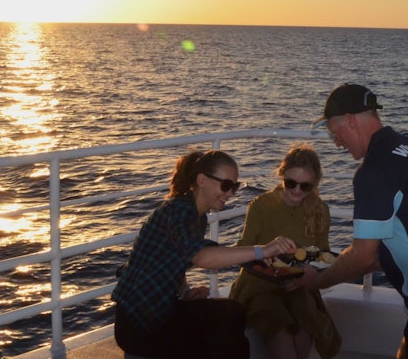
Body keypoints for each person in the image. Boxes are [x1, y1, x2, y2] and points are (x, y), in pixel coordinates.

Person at [293, 83, 408, 359]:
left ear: (350, 120)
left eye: (335, 133)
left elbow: (365, 258)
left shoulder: (375, 169)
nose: (336, 143)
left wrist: (318, 281)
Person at [111, 149, 297, 359]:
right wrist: (262, 250)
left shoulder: (197, 217)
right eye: (225, 185)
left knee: (233, 313)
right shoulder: (179, 210)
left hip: (159, 311)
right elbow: (202, 257)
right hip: (139, 323)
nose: (230, 193)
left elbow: (171, 262)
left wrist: (185, 292)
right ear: (201, 180)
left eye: (234, 187)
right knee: (221, 339)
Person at [229, 143, 341, 359]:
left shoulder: (320, 210)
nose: (297, 191)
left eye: (305, 186)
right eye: (290, 183)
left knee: (304, 327)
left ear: (314, 184)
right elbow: (243, 252)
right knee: (279, 327)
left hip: (299, 284)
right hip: (259, 284)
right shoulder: (261, 205)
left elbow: (322, 254)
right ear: (281, 176)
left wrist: (305, 268)